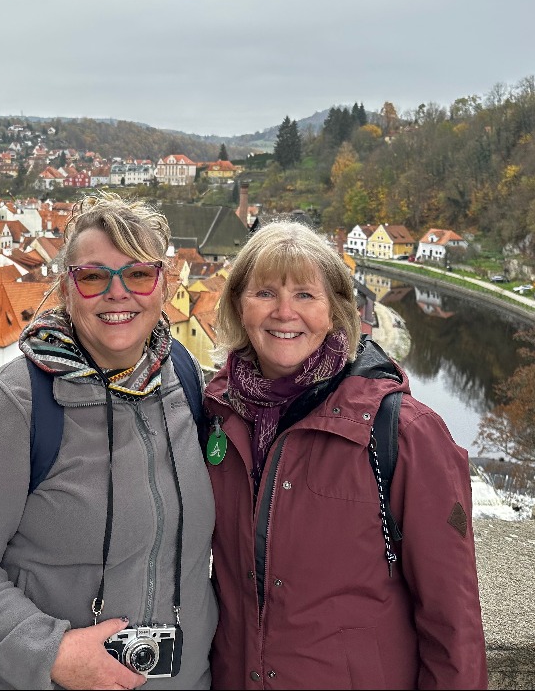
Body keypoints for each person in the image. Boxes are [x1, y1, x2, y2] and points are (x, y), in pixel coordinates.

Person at [0, 193, 218, 690]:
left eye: (138, 274)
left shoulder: (182, 378)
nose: (118, 293)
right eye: (94, 277)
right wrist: (50, 652)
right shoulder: (22, 401)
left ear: (163, 284)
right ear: (65, 288)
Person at [204, 218, 487, 689]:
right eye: (265, 293)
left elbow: (453, 623)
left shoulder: (405, 432)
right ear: (238, 305)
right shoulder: (219, 413)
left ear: (336, 310)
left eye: (305, 295)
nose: (284, 312)